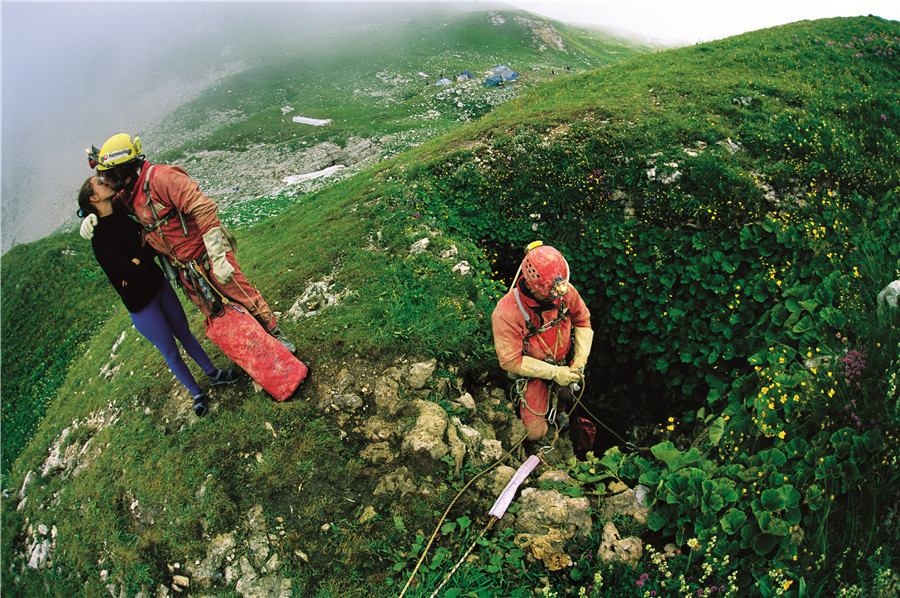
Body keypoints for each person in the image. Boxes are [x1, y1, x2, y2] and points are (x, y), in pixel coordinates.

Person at [80, 133, 295, 353]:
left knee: (244, 297)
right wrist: (86, 214)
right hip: (186, 270)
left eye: (106, 175)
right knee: (217, 313)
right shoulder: (128, 193)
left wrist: (219, 259)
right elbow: (105, 206)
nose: (104, 180)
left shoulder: (162, 178)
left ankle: (278, 340)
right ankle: (260, 353)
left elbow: (202, 208)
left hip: (207, 256)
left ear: (121, 170)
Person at [77, 176, 238, 417]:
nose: (106, 181)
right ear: (94, 198)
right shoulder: (99, 238)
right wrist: (140, 257)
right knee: (170, 351)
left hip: (157, 287)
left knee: (185, 333)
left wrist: (137, 258)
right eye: (100, 183)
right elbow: (126, 271)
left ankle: (213, 374)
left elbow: (150, 244)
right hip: (141, 305)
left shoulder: (122, 217)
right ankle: (196, 393)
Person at [491, 242, 595, 444]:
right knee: (534, 433)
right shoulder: (507, 313)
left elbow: (582, 320)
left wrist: (580, 360)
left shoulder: (564, 293)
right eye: (551, 294)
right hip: (533, 372)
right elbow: (510, 361)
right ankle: (544, 423)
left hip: (563, 361)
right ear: (532, 286)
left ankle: (560, 410)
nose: (558, 298)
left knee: (568, 392)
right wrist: (554, 373)